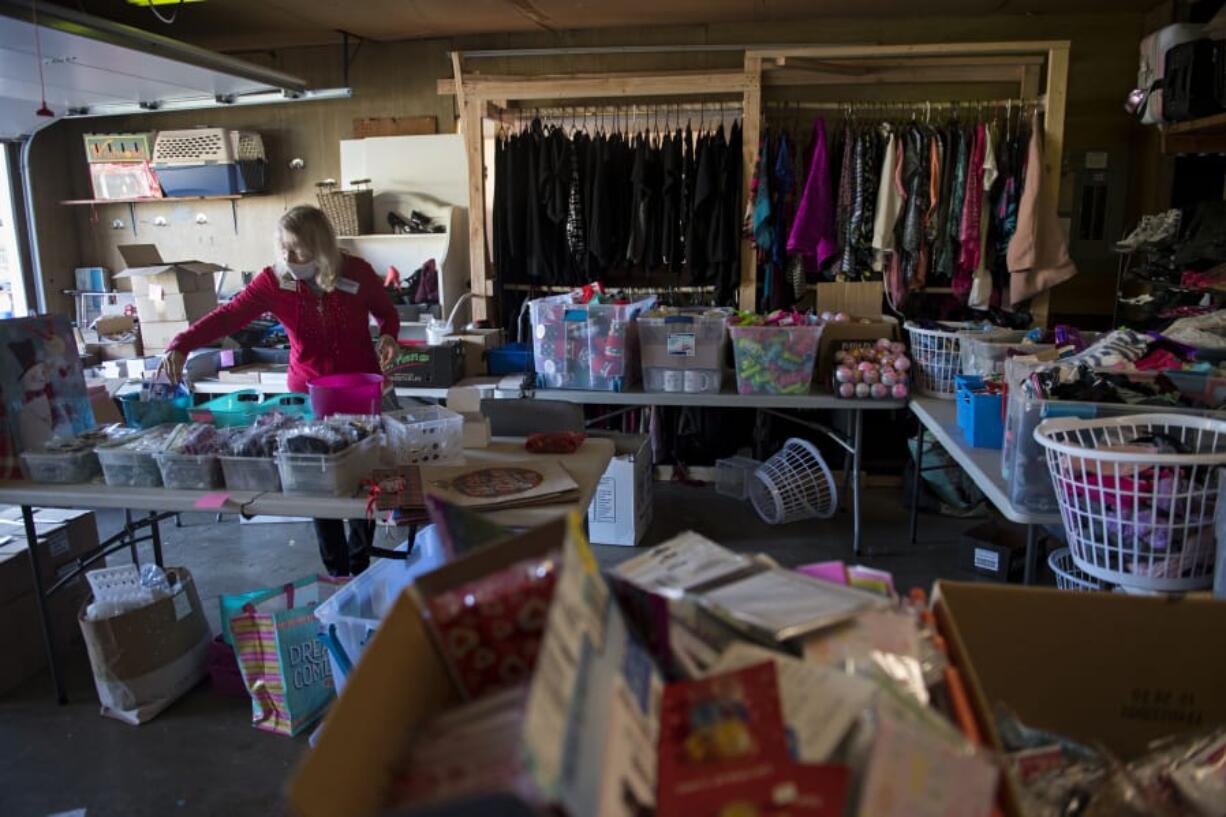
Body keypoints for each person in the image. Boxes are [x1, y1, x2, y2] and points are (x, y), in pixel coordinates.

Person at [160, 205, 400, 576]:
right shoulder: (273, 281)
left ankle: (361, 560)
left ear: (321, 248)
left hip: (357, 391)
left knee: (360, 478)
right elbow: (229, 315)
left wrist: (388, 335)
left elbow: (387, 312)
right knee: (317, 481)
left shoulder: (357, 272)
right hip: (309, 393)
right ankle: (337, 570)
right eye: (283, 248)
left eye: (299, 250)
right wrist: (182, 342)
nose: (289, 258)